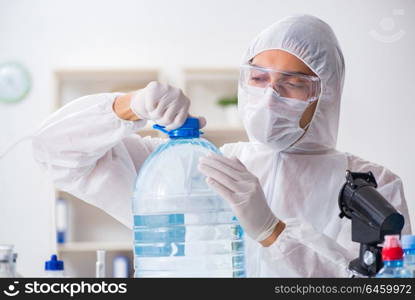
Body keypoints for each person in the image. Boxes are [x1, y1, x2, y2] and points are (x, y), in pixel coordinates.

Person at [32, 15, 412, 277]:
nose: (269, 96)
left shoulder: (372, 186)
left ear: (325, 95)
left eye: (293, 83)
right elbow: (55, 152)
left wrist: (273, 232)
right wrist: (128, 107)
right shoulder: (195, 169)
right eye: (259, 77)